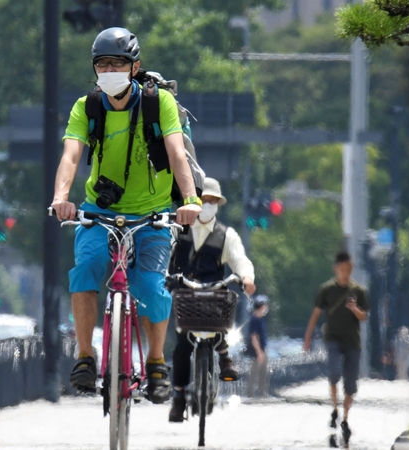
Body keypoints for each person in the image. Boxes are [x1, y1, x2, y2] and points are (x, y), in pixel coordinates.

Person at [50, 27, 201, 404]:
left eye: (118, 63)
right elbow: (70, 155)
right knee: (86, 268)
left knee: (149, 286)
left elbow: (177, 153)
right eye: (102, 64)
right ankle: (86, 356)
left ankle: (155, 361)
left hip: (152, 214)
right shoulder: (87, 107)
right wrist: (61, 198)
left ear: (135, 67)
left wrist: (191, 201)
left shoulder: (158, 103)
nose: (110, 70)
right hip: (99, 212)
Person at [166, 177, 257, 422]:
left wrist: (246, 277)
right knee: (183, 345)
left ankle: (224, 354)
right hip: (185, 293)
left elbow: (239, 259)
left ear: (217, 204)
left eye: (212, 201)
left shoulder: (226, 235)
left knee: (222, 317)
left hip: (213, 293)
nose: (207, 205)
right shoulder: (178, 228)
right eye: (203, 200)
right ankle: (179, 396)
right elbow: (164, 255)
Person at [303, 251, 369, 447]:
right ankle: (334, 408)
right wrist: (307, 337)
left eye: (349, 270)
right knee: (333, 373)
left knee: (351, 385)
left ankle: (345, 418)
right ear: (336, 269)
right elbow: (315, 314)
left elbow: (364, 317)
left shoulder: (359, 291)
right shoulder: (326, 290)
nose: (346, 273)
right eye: (343, 270)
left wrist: (355, 309)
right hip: (332, 338)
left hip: (352, 342)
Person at [247, 295, 269, 398]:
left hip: (262, 350)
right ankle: (251, 394)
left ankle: (262, 393)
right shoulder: (255, 319)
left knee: (263, 373)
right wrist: (259, 352)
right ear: (261, 306)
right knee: (255, 373)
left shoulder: (260, 319)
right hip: (258, 351)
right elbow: (254, 337)